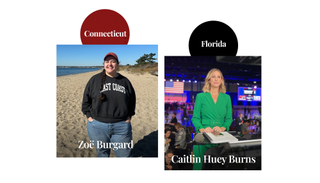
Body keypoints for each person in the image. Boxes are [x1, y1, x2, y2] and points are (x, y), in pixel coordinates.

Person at [82, 52, 136, 157]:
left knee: (125, 156)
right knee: (102, 154)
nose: (109, 64)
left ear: (117, 64)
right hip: (97, 126)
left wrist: (129, 116)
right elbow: (85, 101)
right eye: (107, 61)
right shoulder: (94, 80)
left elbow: (132, 101)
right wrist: (89, 117)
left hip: (121, 126)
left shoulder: (125, 81)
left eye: (113, 61)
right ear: (104, 64)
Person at [191, 68, 232, 170]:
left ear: (222, 80)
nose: (216, 79)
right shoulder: (200, 96)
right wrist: (202, 129)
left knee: (221, 166)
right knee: (197, 166)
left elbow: (229, 119)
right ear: (208, 80)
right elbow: (195, 118)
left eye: (219, 77)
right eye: (213, 76)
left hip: (221, 135)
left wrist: (222, 128)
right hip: (204, 134)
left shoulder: (227, 98)